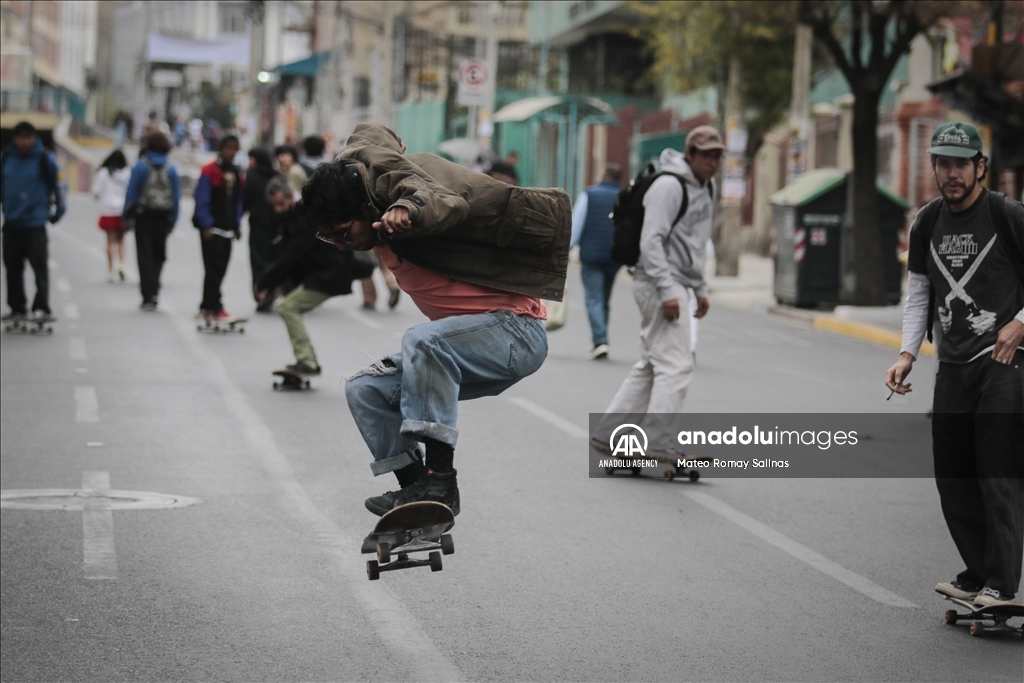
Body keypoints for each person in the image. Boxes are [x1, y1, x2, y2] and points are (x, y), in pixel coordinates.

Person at [301, 123, 570, 516]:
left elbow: (439, 198)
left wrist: (407, 209)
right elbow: (372, 137)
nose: (343, 244)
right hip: (464, 350)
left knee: (423, 340)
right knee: (364, 390)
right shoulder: (361, 181)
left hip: (514, 334)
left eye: (344, 233)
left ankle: (441, 480)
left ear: (363, 210)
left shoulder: (403, 207)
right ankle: (415, 491)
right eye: (332, 239)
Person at [886, 121, 1024, 610]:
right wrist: (907, 354)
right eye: (942, 163)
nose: (951, 173)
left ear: (979, 166)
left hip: (1003, 362)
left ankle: (1003, 583)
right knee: (953, 473)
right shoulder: (927, 222)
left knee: (996, 472)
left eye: (960, 164)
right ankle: (979, 571)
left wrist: (1020, 323)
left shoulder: (1006, 214)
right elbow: (919, 293)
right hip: (954, 361)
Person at [597, 125, 722, 444]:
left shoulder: (707, 187)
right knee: (677, 365)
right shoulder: (668, 186)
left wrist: (700, 288)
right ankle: (658, 440)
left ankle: (609, 433)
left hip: (678, 282)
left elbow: (694, 242)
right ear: (689, 154)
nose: (712, 162)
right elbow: (651, 242)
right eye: (706, 156)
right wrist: (669, 292)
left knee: (655, 363)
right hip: (657, 282)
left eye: (717, 156)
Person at [254, 176, 366, 374]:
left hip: (330, 273)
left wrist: (265, 282)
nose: (278, 209)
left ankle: (307, 361)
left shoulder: (304, 217)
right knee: (289, 307)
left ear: (290, 197)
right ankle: (307, 360)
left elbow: (291, 256)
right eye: (275, 206)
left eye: (281, 204)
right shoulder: (290, 218)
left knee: (288, 307)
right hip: (323, 273)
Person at [0, 120, 66, 322]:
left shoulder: (45, 159)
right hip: (11, 222)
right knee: (12, 267)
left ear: (34, 137)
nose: (24, 142)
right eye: (20, 137)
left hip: (35, 223)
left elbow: (59, 186)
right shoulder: (6, 158)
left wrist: (58, 212)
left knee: (39, 267)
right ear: (15, 138)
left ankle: (41, 307)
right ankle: (17, 306)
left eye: (28, 137)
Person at [569, 163, 623, 359]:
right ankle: (602, 338)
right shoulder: (624, 196)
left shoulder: (589, 194)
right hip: (615, 256)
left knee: (594, 298)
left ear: (604, 174)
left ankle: (600, 340)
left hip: (591, 256)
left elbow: (577, 224)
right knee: (604, 299)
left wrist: (567, 248)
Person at [124, 132, 181, 311]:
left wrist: (127, 217)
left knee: (144, 254)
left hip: (144, 216)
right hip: (163, 216)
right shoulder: (171, 168)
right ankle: (155, 287)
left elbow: (132, 193)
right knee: (159, 254)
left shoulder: (141, 166)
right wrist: (173, 221)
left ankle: (147, 294)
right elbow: (176, 197)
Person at [193, 135, 244, 321]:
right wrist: (205, 224)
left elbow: (238, 200)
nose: (231, 152)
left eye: (235, 149)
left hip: (228, 228)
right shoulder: (210, 170)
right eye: (228, 148)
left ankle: (207, 306)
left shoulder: (236, 172)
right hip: (212, 228)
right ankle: (214, 305)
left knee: (221, 269)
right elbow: (202, 198)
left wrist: (237, 224)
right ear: (221, 148)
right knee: (213, 269)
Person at [242, 147, 281, 313]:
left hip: (259, 225)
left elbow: (245, 202)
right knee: (273, 259)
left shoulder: (251, 177)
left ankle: (261, 295)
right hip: (277, 225)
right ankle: (270, 293)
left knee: (258, 260)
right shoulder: (277, 177)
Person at [91, 149, 131, 282]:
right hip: (122, 210)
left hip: (108, 210)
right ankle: (122, 264)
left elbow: (96, 191)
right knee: (121, 240)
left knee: (110, 241)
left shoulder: (103, 173)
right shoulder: (128, 173)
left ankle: (110, 271)